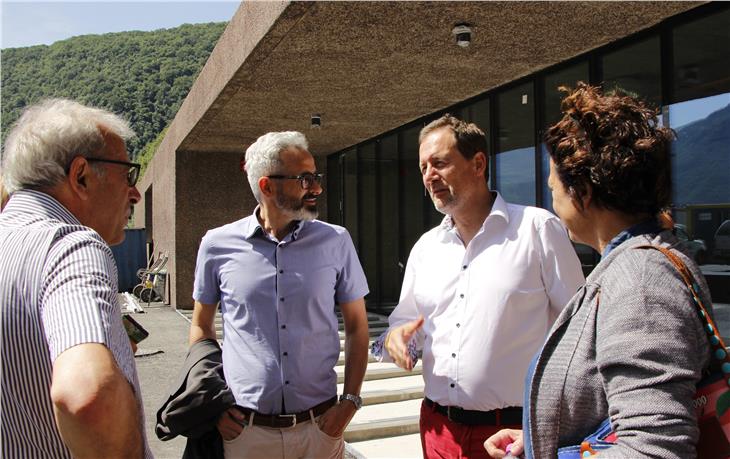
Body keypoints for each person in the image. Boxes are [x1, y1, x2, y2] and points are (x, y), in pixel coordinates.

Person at [485, 83, 714, 458]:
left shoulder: (639, 279)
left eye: (553, 186)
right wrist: (543, 439)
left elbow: (652, 449)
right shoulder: (641, 261)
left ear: (584, 193)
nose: (553, 201)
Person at [372, 114, 585, 458]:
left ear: (478, 163)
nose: (429, 176)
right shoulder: (425, 248)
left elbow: (579, 333)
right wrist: (397, 340)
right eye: (423, 167)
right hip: (438, 430)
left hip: (512, 436)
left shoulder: (536, 229)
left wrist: (554, 423)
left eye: (439, 163)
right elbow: (407, 326)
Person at [190, 131, 370, 458]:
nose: (316, 188)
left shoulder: (336, 241)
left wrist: (350, 402)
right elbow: (201, 326)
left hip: (321, 429)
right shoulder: (216, 245)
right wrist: (213, 402)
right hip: (245, 434)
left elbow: (358, 325)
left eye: (315, 177)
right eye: (304, 179)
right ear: (267, 186)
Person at [0, 98, 151, 458]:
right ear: (80, 174)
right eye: (127, 173)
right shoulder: (71, 245)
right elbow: (89, 397)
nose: (135, 192)